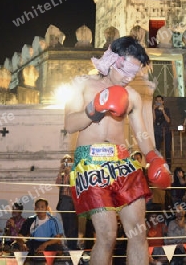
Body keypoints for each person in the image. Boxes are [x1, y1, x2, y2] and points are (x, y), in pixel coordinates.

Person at [64, 36, 171, 265]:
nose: (130, 77)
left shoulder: (132, 96)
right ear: (113, 60)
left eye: (135, 73)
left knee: (138, 232)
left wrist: (153, 157)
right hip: (90, 162)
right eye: (128, 70)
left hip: (123, 161)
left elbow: (142, 134)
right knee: (106, 235)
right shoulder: (83, 85)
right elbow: (70, 124)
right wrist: (95, 108)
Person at [55, 154, 79, 250]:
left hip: (73, 200)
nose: (66, 163)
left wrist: (70, 173)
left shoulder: (75, 172)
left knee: (73, 224)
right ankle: (69, 244)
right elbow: (57, 183)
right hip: (64, 200)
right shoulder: (62, 174)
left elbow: (76, 184)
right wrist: (61, 171)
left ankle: (73, 245)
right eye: (64, 161)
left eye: (68, 160)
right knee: (66, 224)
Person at [153, 95, 172, 166]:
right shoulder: (154, 110)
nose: (159, 102)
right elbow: (153, 120)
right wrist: (153, 110)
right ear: (155, 102)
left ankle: (169, 166)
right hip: (157, 131)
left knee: (167, 150)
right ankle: (158, 165)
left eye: (160, 101)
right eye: (157, 101)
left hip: (166, 131)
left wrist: (163, 111)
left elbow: (168, 120)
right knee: (157, 149)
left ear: (163, 101)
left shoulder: (166, 109)